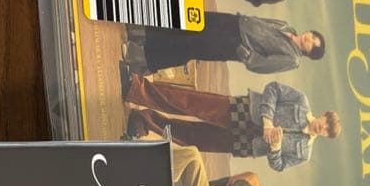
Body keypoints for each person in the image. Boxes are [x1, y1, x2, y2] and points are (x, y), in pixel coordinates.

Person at [125, 75, 341, 168]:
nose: (322, 127)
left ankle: (143, 121)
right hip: (242, 110)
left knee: (188, 137)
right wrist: (267, 120)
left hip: (243, 144)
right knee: (188, 102)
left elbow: (278, 165)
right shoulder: (301, 101)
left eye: (326, 130)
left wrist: (275, 147)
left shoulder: (304, 153)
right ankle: (136, 88)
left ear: (325, 135)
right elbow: (273, 89)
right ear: (323, 115)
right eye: (325, 122)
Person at [121, 11, 324, 76]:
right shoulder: (287, 26)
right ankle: (142, 33)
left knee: (189, 46)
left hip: (235, 43)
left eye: (313, 44)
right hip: (233, 22)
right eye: (313, 36)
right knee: (190, 23)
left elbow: (264, 65)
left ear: (309, 53)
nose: (309, 39)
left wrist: (244, 53)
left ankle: (141, 59)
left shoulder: (293, 59)